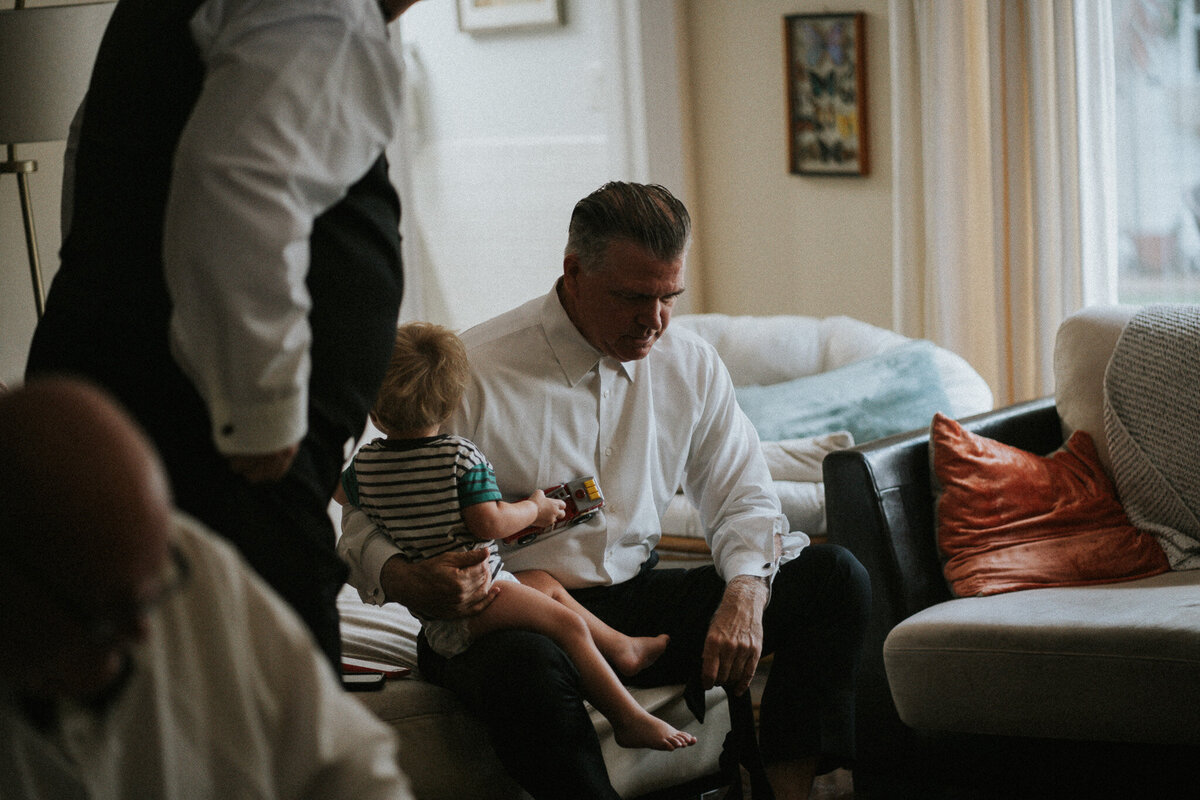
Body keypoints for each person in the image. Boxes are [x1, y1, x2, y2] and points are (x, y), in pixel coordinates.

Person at [340, 182, 872, 799]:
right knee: (527, 667)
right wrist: (402, 577)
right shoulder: (474, 371)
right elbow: (367, 508)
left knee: (835, 579)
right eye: (632, 298)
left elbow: (743, 496)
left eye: (669, 297)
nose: (655, 322)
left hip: (634, 599)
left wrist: (747, 590)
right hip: (506, 614)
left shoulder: (690, 363)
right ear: (573, 271)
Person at [25, 0, 422, 668]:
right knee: (271, 708)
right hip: (228, 453)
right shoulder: (320, 7)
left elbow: (90, 154)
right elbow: (240, 184)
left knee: (171, 691)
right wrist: (261, 414)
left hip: (163, 415)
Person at [0, 376, 415, 799]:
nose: (146, 632)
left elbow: (347, 760)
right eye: (107, 614)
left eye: (152, 589)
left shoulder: (185, 560)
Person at [339, 322, 697, 751]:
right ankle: (628, 718)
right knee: (566, 626)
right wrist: (536, 508)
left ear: (374, 412)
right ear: (451, 401)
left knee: (545, 583)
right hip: (480, 598)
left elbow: (342, 496)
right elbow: (488, 523)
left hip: (437, 613)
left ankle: (622, 648)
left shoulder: (365, 467)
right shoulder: (461, 457)